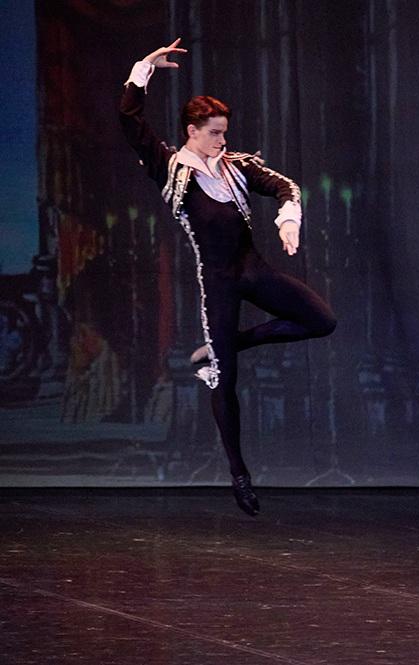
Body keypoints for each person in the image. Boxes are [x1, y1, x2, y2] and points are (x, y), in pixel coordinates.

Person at [119, 39, 337, 516]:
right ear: (192, 131)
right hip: (217, 282)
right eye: (215, 133)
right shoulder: (171, 168)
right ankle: (239, 473)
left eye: (224, 132)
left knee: (321, 320)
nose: (222, 140)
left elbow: (285, 186)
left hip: (253, 270)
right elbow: (130, 121)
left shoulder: (236, 168)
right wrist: (143, 69)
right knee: (225, 379)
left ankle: (225, 346)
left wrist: (288, 220)